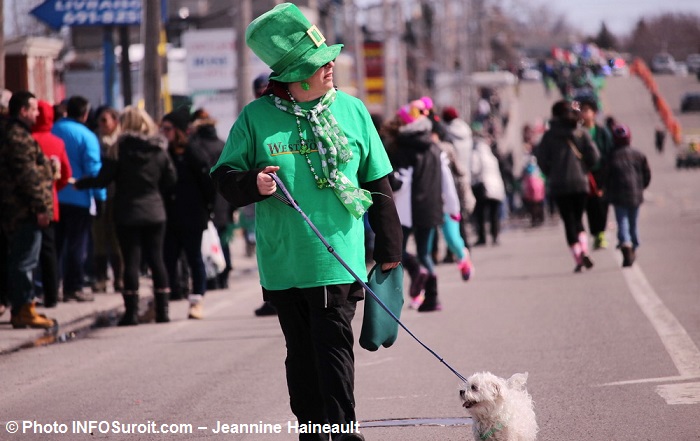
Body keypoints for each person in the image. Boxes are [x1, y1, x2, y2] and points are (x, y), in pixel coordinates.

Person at [210, 4, 401, 440]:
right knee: (300, 354)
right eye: (318, 64)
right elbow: (224, 177)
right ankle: (313, 432)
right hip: (284, 261)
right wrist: (253, 184)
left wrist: (390, 250)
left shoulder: (352, 111)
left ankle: (341, 432)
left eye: (327, 58)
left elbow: (379, 182)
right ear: (295, 77)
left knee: (333, 349)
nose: (329, 66)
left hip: (338, 258)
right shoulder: (255, 119)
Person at [75, 106, 177, 325]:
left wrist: (81, 184)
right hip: (155, 211)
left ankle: (131, 313)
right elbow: (171, 180)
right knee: (157, 259)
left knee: (131, 260)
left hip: (127, 212)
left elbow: (103, 179)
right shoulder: (159, 149)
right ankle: (163, 311)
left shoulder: (118, 149)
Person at [0, 91, 56, 328]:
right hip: (23, 210)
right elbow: (29, 177)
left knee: (21, 259)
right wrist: (41, 207)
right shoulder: (18, 137)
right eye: (33, 109)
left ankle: (21, 308)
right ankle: (24, 308)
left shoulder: (17, 134)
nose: (37, 113)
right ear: (22, 111)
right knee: (25, 261)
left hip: (17, 209)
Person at [386, 99, 444, 311]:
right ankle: (433, 298)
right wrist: (452, 208)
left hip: (406, 209)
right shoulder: (434, 146)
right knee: (425, 253)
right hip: (431, 208)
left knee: (397, 249)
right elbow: (445, 179)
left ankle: (414, 271)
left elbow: (398, 181)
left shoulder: (400, 148)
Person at [161, 106, 215, 320]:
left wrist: (207, 210)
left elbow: (209, 187)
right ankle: (162, 301)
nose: (164, 133)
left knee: (194, 259)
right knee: (168, 260)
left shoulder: (195, 153)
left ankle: (196, 301)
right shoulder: (166, 153)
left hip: (192, 217)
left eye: (168, 128)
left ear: (179, 130)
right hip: (170, 217)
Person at [536, 100, 600, 273]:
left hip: (559, 185)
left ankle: (578, 257)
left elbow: (541, 159)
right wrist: (584, 168)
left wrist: (551, 173)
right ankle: (585, 249)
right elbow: (594, 156)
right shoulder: (581, 132)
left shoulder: (549, 135)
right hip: (580, 183)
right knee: (579, 219)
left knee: (568, 221)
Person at [52, 95, 106, 302]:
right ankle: (73, 287)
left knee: (55, 245)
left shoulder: (54, 130)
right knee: (76, 245)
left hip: (54, 196)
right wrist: (100, 198)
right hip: (78, 197)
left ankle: (51, 286)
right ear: (85, 114)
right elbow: (94, 171)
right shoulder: (87, 136)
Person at [31, 100, 72, 308]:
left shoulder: (25, 139)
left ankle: (26, 296)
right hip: (50, 202)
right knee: (49, 251)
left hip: (24, 205)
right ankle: (52, 295)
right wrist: (55, 188)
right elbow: (66, 174)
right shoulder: (56, 142)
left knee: (24, 252)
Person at [189, 108, 233, 289]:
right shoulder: (222, 144)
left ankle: (212, 277)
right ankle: (224, 273)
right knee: (222, 238)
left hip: (204, 199)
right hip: (224, 198)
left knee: (206, 240)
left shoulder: (195, 147)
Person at [250, 73, 280, 318]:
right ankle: (270, 298)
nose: (262, 93)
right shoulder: (252, 118)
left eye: (265, 88)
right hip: (263, 201)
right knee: (268, 249)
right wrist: (251, 182)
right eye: (258, 90)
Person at [607, 124, 651, 267]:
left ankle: (625, 243)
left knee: (623, 222)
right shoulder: (639, 155)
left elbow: (605, 177)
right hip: (635, 194)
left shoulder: (611, 156)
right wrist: (640, 187)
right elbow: (646, 175)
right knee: (633, 222)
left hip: (618, 195)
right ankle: (634, 245)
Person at [91, 106, 124, 293]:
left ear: (115, 122)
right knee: (99, 238)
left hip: (117, 195)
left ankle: (119, 278)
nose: (101, 124)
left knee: (117, 239)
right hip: (99, 193)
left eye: (104, 120)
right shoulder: (94, 140)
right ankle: (101, 278)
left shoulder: (121, 141)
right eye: (99, 120)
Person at [579, 98, 613, 250]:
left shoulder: (602, 131)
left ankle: (601, 234)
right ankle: (596, 234)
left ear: (594, 113)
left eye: (587, 111)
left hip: (601, 172)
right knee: (590, 206)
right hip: (585, 173)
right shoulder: (579, 132)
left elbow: (609, 151)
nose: (585, 114)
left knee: (602, 204)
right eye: (583, 111)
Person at [470, 125, 506, 246]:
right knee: (493, 214)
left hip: (483, 187)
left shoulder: (476, 152)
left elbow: (474, 169)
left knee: (480, 213)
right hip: (496, 187)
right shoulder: (491, 154)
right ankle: (495, 236)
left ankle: (482, 237)